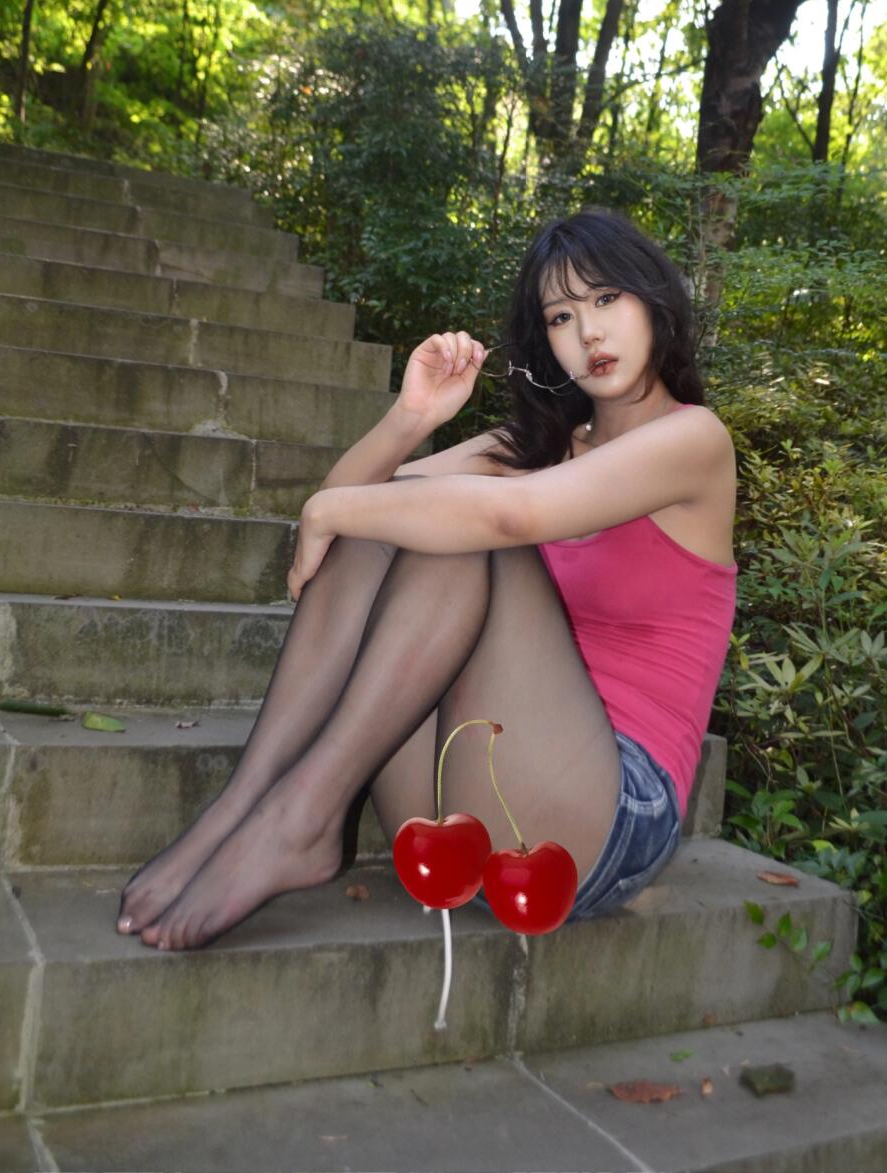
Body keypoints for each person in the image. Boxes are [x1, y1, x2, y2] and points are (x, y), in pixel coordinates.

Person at [115, 206, 738, 951]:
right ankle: (243, 807)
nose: (590, 333)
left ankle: (302, 818)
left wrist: (326, 509)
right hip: (469, 797)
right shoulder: (532, 447)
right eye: (562, 316)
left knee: (469, 531)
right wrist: (409, 420)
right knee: (398, 522)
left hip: (605, 818)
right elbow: (354, 519)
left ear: (655, 299)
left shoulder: (694, 440)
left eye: (607, 298)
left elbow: (505, 517)